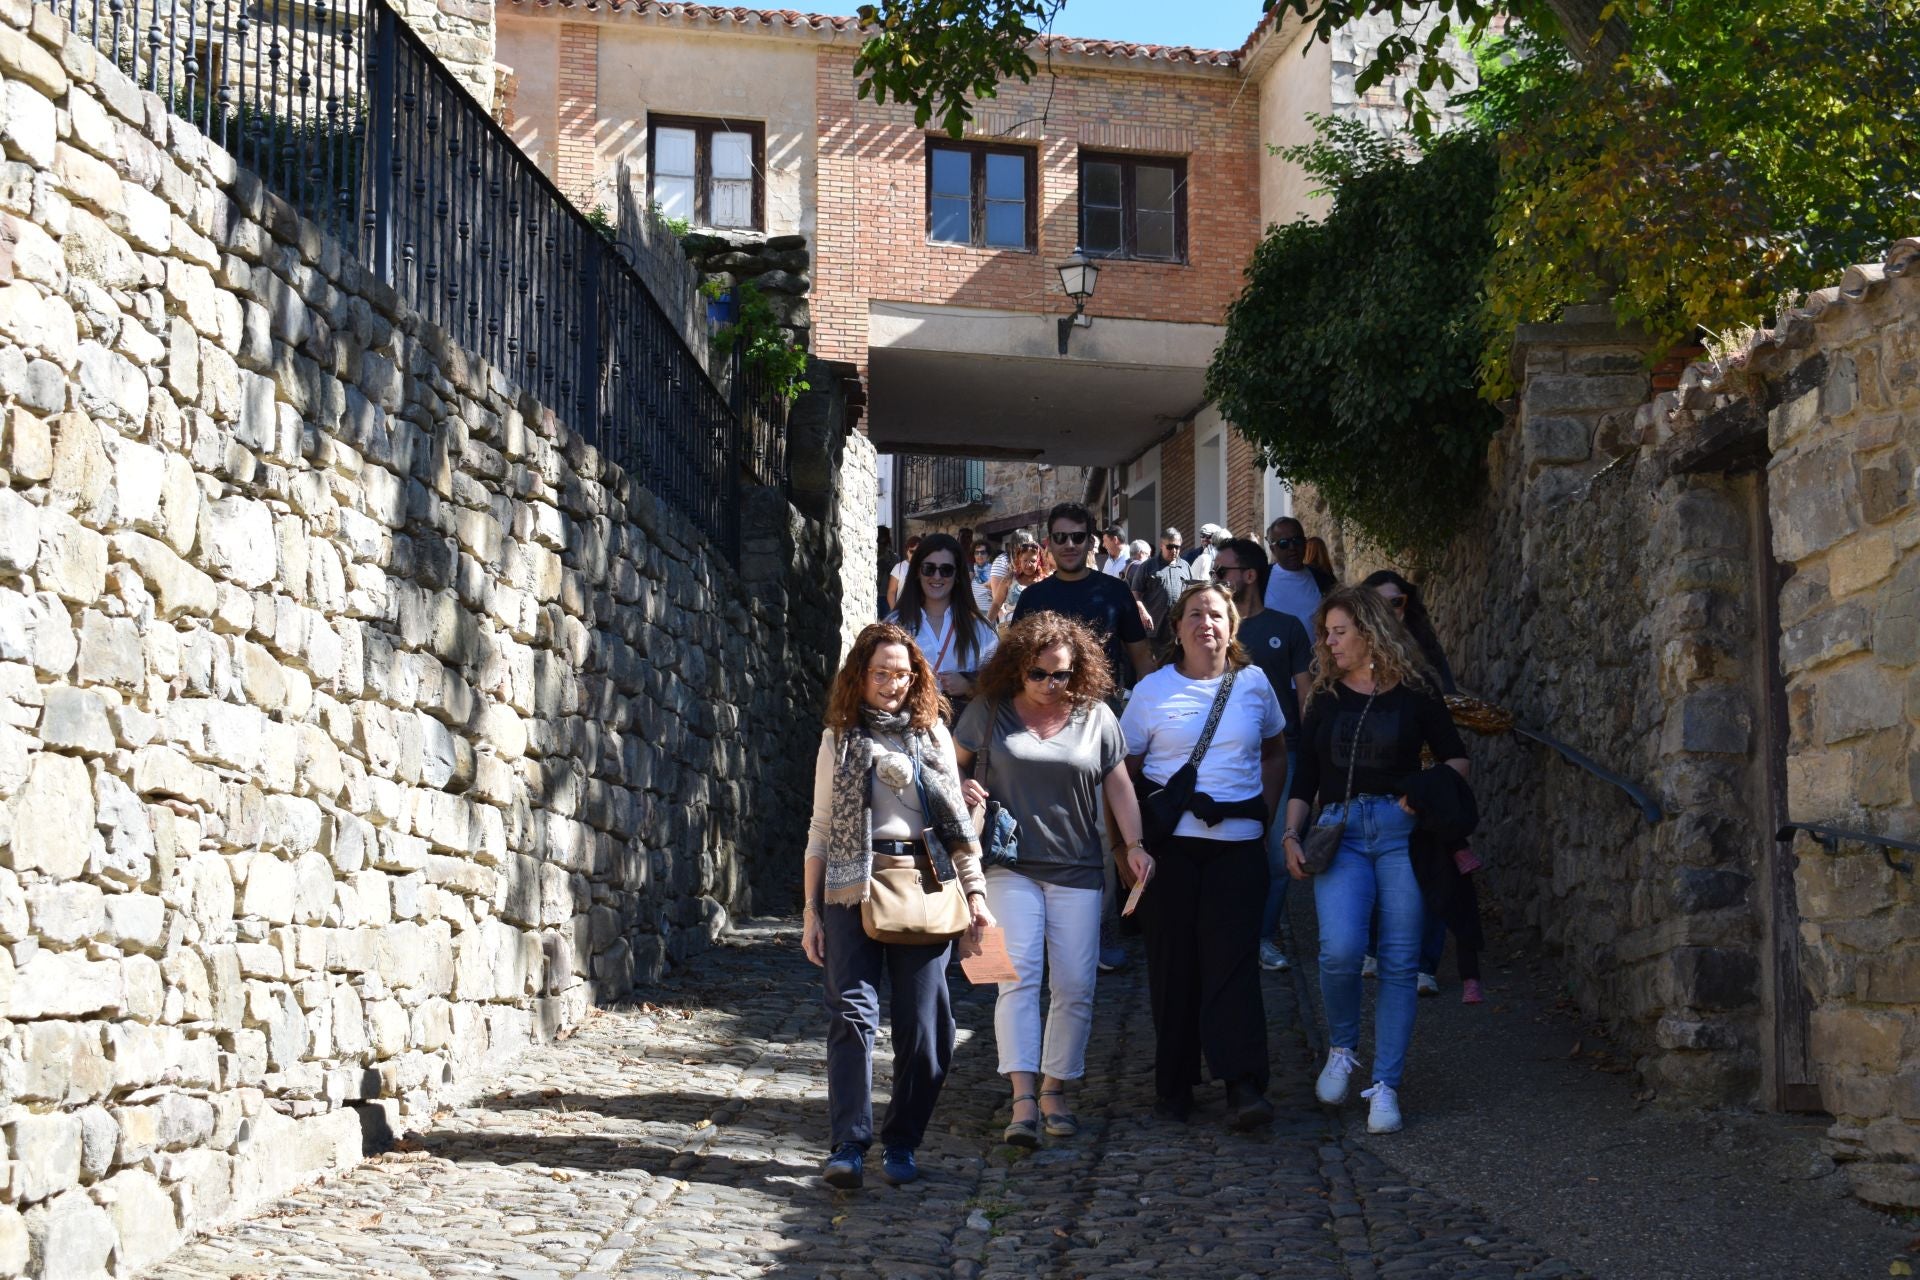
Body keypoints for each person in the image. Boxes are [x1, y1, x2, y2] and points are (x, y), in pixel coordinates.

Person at [801, 623, 996, 1188]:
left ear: (916, 679)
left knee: (929, 1030)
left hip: (926, 881)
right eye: (880, 673)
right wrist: (812, 913)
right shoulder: (838, 739)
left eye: (901, 674)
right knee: (852, 1017)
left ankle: (903, 1141)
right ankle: (849, 1145)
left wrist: (976, 892)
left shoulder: (931, 732)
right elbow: (818, 829)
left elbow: (957, 826)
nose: (891, 684)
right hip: (849, 886)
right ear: (860, 676)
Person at [954, 614, 1152, 1147]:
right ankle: (1023, 1097)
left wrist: (1133, 846)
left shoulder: (1096, 718)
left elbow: (1120, 788)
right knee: (1016, 979)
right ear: (1018, 668)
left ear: (1078, 670)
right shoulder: (988, 712)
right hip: (1007, 864)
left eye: (1060, 675)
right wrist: (964, 789)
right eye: (1039, 674)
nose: (1050, 685)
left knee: (1075, 986)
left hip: (1080, 868)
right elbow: (946, 771)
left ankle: (1055, 1087)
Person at [1282, 587, 1469, 1135]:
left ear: (1369, 631)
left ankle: (1386, 1085)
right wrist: (1291, 834)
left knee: (1400, 961)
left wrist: (1422, 791)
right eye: (1327, 633)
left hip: (1399, 832)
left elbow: (1457, 759)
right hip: (1340, 834)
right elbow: (1306, 779)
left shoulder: (1415, 692)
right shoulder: (1326, 697)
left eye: (1339, 631)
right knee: (1339, 951)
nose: (1329, 642)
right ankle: (1342, 1047)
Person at [1122, 582, 1288, 1129]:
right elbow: (1122, 772)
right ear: (1176, 628)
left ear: (1232, 627)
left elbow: (1274, 751)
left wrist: (1261, 814)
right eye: (1194, 615)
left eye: (1216, 615)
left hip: (1237, 848)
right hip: (1170, 851)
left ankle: (1243, 1083)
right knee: (1174, 966)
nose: (1205, 624)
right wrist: (1129, 845)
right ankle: (1174, 1085)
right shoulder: (1150, 691)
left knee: (1233, 964)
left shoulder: (1255, 685)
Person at [1014, 503, 1159, 973]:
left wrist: (1148, 719)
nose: (1070, 545)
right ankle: (1040, 930)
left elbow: (1143, 663)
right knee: (1039, 826)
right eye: (1061, 537)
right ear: (1048, 543)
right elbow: (1014, 669)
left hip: (1099, 724)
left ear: (1092, 542)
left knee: (1101, 830)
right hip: (1040, 726)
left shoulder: (1114, 592)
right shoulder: (1033, 598)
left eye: (1079, 537)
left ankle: (1096, 934)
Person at [1364, 570, 1481, 1001]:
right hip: (1373, 783)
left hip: (1424, 785)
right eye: (1380, 603)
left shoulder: (1423, 655)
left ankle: (1423, 964)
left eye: (1397, 602)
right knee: (1376, 873)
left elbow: (1447, 714)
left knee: (1430, 872)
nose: (1390, 611)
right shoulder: (1349, 654)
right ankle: (1376, 949)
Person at [1213, 538, 1313, 974]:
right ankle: (1227, 933)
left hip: (1283, 752)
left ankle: (1262, 937)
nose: (1216, 580)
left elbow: (1306, 696)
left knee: (1275, 854)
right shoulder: (1216, 628)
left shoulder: (1288, 627)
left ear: (1249, 576)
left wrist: (1313, 757)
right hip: (1226, 756)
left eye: (1223, 572)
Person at [888, 533, 998, 707]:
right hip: (909, 727)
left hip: (963, 730)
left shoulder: (979, 628)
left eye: (946, 570)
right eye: (929, 568)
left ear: (957, 576)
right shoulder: (895, 626)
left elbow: (999, 681)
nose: (937, 577)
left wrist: (970, 685)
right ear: (917, 571)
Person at [1263, 517, 1336, 633]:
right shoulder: (1262, 579)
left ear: (1305, 543)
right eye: (1283, 543)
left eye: (1297, 541)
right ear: (1273, 549)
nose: (1292, 548)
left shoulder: (1323, 579)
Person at [1148, 528, 1194, 642]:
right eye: (1170, 547)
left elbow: (1190, 593)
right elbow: (1135, 593)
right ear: (1161, 545)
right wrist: (1143, 613)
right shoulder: (1148, 566)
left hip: (1178, 628)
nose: (1174, 550)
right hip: (1155, 627)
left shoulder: (1185, 566)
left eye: (1177, 547)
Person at [990, 532, 1044, 625]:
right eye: (1025, 560)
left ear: (1038, 561)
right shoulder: (1009, 579)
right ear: (1019, 560)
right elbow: (996, 604)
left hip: (1037, 631)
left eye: (1033, 561)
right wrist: (986, 626)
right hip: (1010, 629)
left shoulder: (1044, 581)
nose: (1028, 564)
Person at [887, 534, 922, 612]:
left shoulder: (926, 567)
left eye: (918, 552)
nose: (915, 555)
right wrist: (894, 612)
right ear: (907, 551)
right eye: (912, 551)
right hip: (903, 612)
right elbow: (891, 592)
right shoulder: (899, 567)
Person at [876, 528, 899, 618]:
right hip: (875, 595)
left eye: (884, 543)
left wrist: (887, 566)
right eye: (879, 543)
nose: (881, 546)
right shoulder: (872, 555)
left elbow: (896, 576)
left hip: (887, 595)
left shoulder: (893, 557)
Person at [970, 541, 997, 614]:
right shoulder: (971, 571)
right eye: (976, 553)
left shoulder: (994, 570)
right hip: (974, 613)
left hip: (990, 613)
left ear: (988, 555)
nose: (979, 555)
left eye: (983, 552)